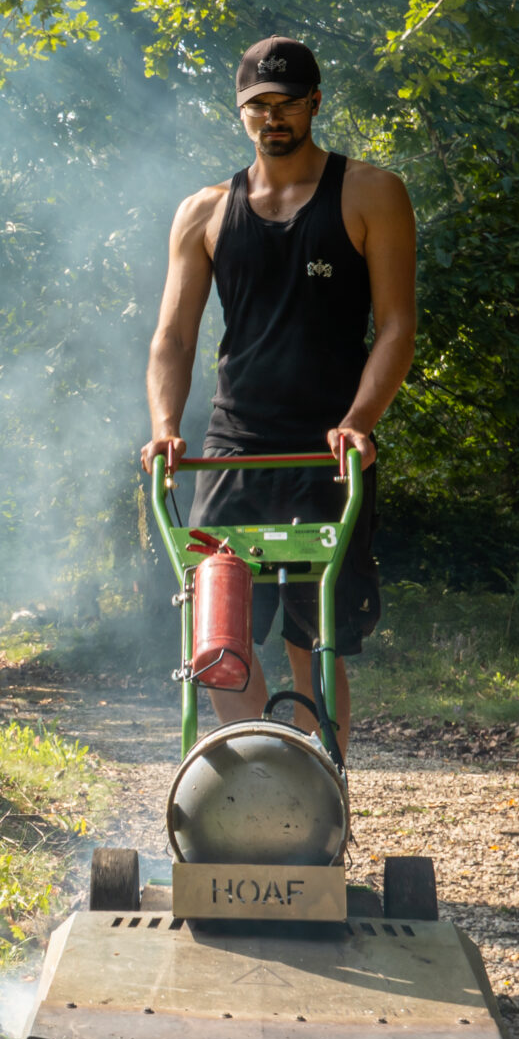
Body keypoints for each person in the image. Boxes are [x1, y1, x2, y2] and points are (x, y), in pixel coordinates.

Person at [139, 37, 417, 747]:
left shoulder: (369, 193)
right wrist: (166, 424)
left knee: (311, 634)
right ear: (241, 114)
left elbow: (396, 325)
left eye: (287, 102)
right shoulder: (203, 212)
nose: (273, 117)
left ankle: (319, 785)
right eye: (258, 106)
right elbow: (173, 339)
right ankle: (263, 774)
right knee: (215, 641)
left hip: (329, 445)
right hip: (234, 448)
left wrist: (360, 419)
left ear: (315, 104)